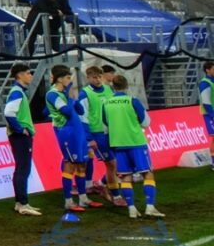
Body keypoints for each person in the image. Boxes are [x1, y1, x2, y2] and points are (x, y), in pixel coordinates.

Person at [103, 74, 163, 219]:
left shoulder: (106, 103)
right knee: (147, 173)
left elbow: (105, 127)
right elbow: (146, 123)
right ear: (126, 86)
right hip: (136, 142)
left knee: (125, 176)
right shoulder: (132, 101)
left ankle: (131, 209)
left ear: (113, 86)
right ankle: (149, 206)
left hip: (118, 143)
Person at [44, 65, 92, 214]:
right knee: (70, 164)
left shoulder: (64, 94)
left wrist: (72, 98)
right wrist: (68, 97)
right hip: (66, 131)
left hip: (77, 130)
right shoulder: (52, 95)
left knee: (82, 164)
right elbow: (66, 111)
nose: (70, 80)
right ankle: (68, 201)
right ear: (59, 79)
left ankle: (83, 198)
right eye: (67, 78)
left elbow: (80, 110)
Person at [5, 63, 40, 216]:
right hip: (20, 137)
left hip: (19, 136)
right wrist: (20, 129)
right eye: (28, 73)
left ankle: (21, 203)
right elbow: (9, 113)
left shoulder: (18, 92)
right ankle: (23, 203)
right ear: (19, 75)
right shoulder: (17, 92)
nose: (30, 75)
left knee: (22, 168)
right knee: (23, 169)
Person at [83, 65, 122, 206]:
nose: (98, 80)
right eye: (94, 77)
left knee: (116, 164)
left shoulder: (108, 89)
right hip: (97, 134)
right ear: (88, 78)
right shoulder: (85, 93)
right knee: (112, 164)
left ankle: (103, 184)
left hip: (112, 132)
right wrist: (89, 138)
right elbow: (83, 117)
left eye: (99, 77)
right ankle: (116, 196)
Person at [201, 60, 214, 172]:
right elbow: (206, 101)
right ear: (207, 70)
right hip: (210, 114)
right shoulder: (205, 83)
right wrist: (212, 115)